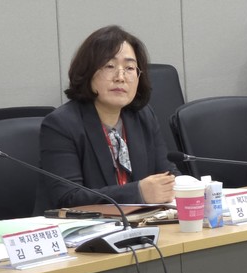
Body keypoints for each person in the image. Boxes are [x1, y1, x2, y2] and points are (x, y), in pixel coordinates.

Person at [37, 26, 179, 211]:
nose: (120, 77)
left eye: (129, 68)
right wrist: (138, 192)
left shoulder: (142, 116)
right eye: (109, 66)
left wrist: (188, 186)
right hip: (81, 227)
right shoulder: (61, 124)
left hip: (139, 223)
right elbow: (68, 197)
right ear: (88, 72)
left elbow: (166, 173)